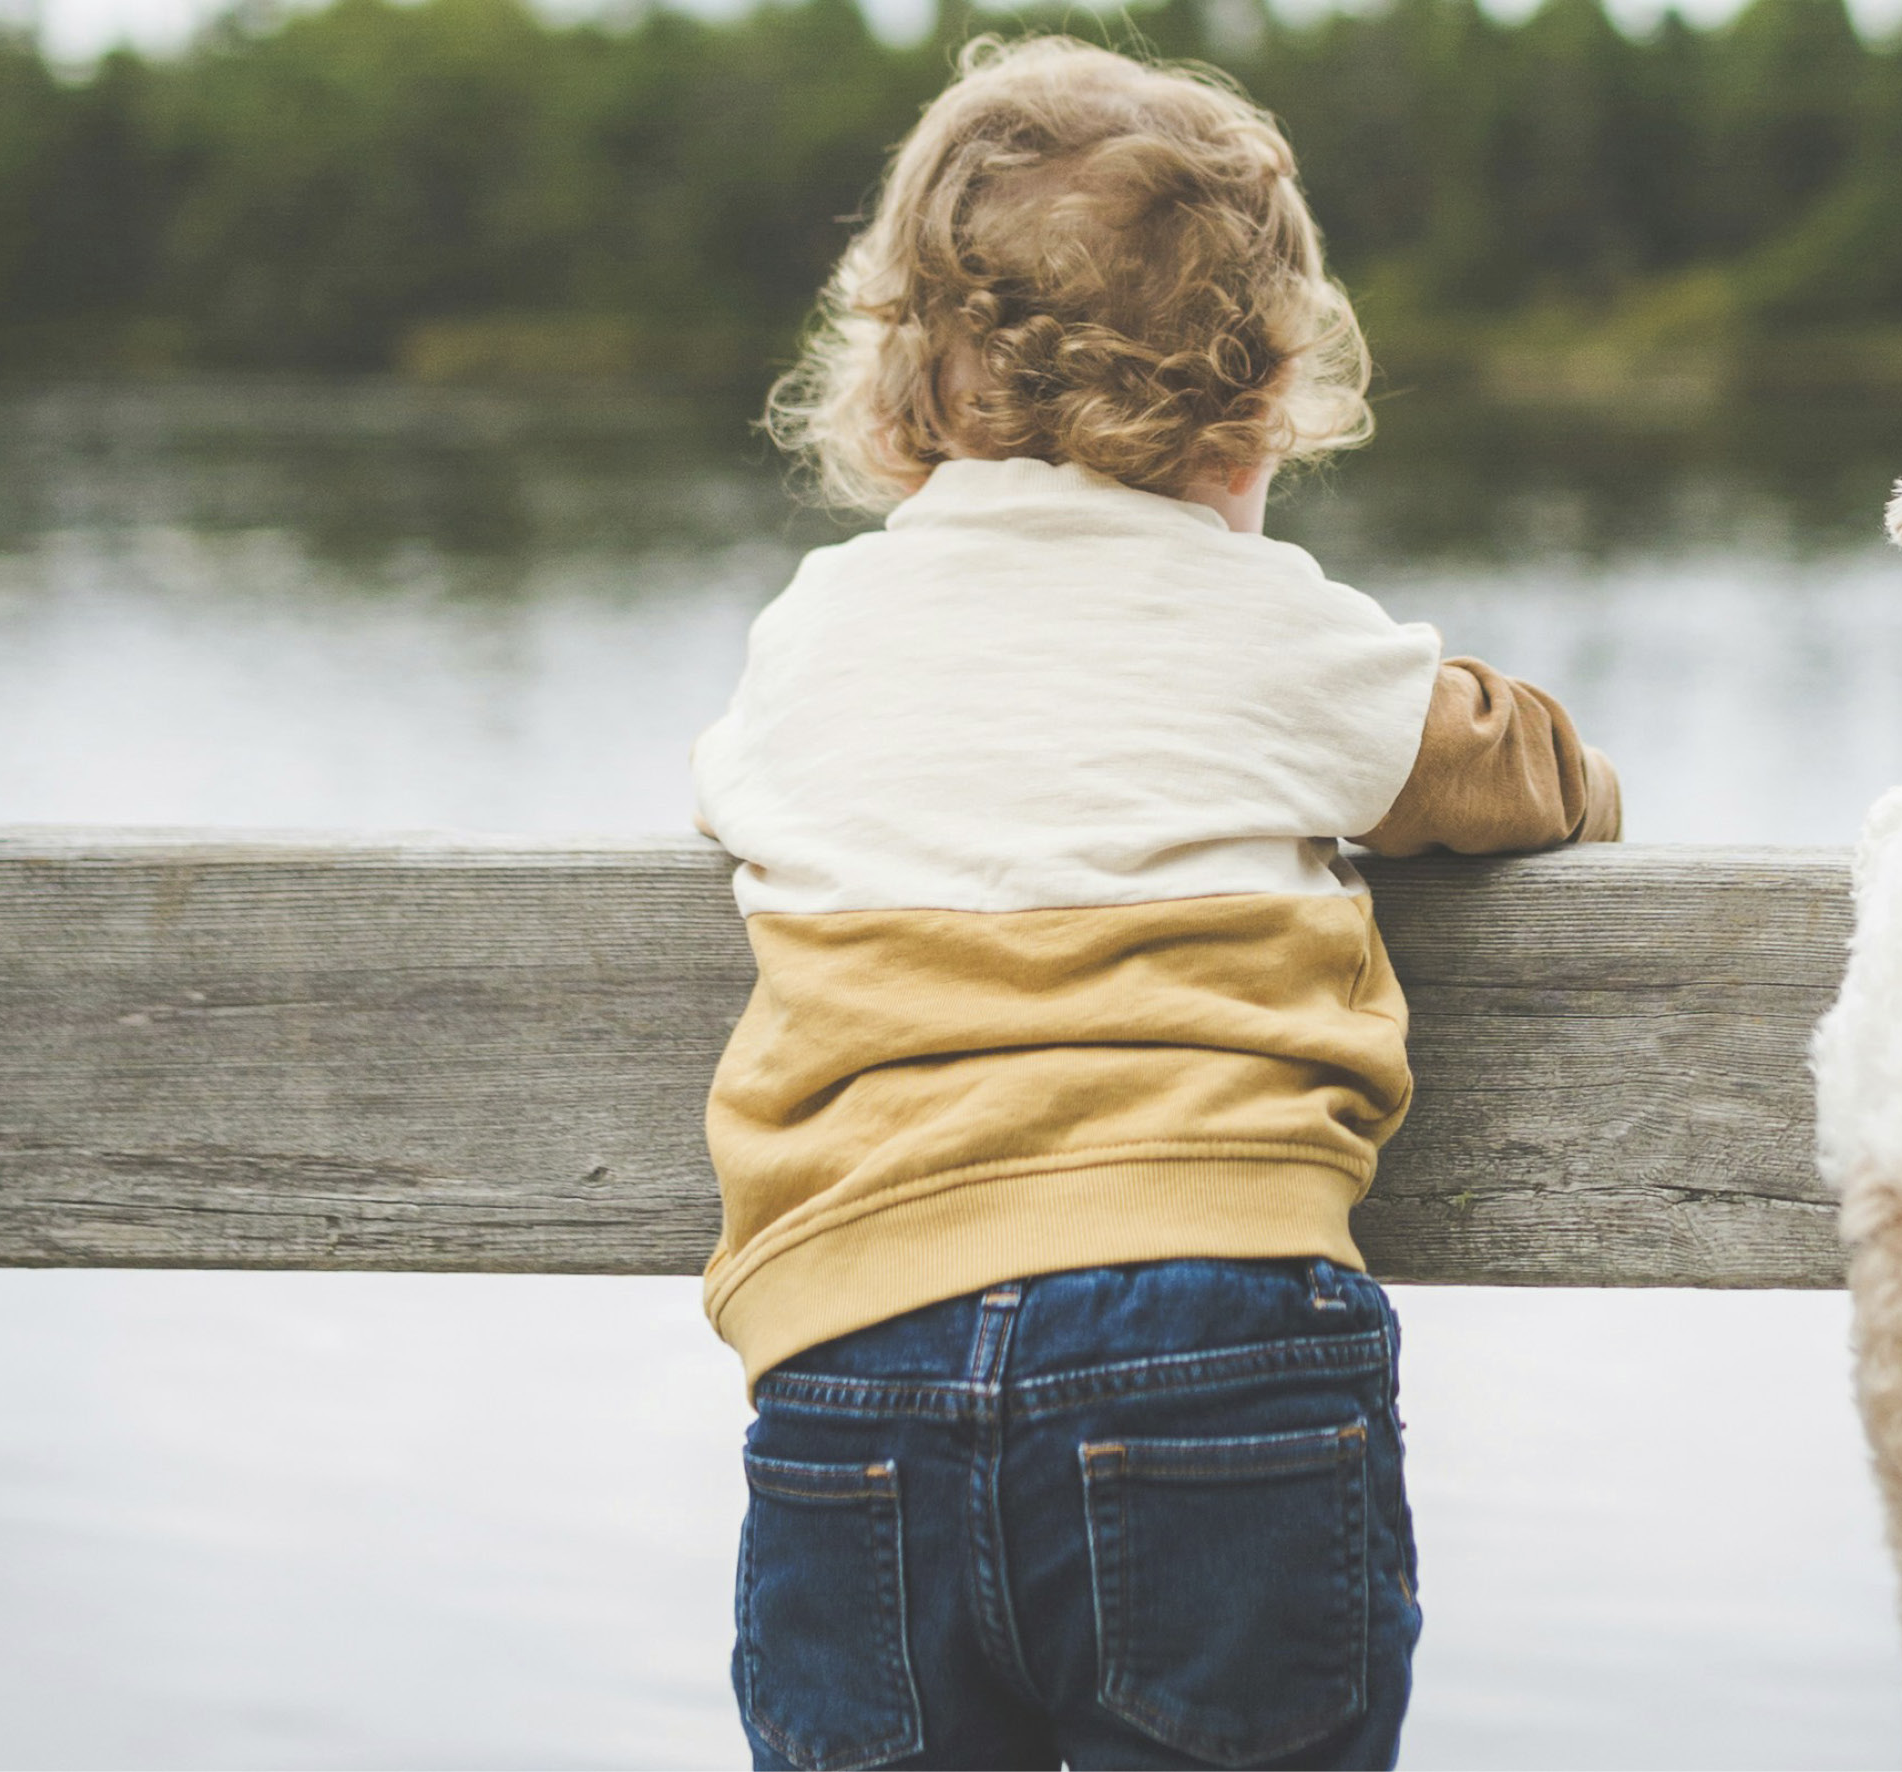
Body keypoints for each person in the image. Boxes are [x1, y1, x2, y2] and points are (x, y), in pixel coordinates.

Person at [689, 36, 1619, 1770]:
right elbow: (1521, 780)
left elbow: (734, 793)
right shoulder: (1271, 627)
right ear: (1263, 394)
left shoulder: (813, 633)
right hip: (1213, 1334)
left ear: (905, 382)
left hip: (851, 1353)